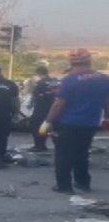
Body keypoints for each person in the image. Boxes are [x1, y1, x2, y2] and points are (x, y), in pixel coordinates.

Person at [40, 49, 109, 194]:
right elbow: (106, 101)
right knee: (82, 153)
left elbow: (59, 104)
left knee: (63, 155)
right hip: (91, 123)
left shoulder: (70, 80)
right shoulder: (103, 79)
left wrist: (47, 122)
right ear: (89, 61)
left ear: (72, 63)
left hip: (68, 123)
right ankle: (83, 183)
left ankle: (64, 186)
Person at [29, 66, 57, 152]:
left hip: (41, 108)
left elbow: (34, 95)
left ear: (39, 74)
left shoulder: (40, 83)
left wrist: (30, 104)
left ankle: (39, 145)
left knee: (37, 126)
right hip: (53, 107)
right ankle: (54, 144)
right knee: (51, 127)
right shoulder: (55, 81)